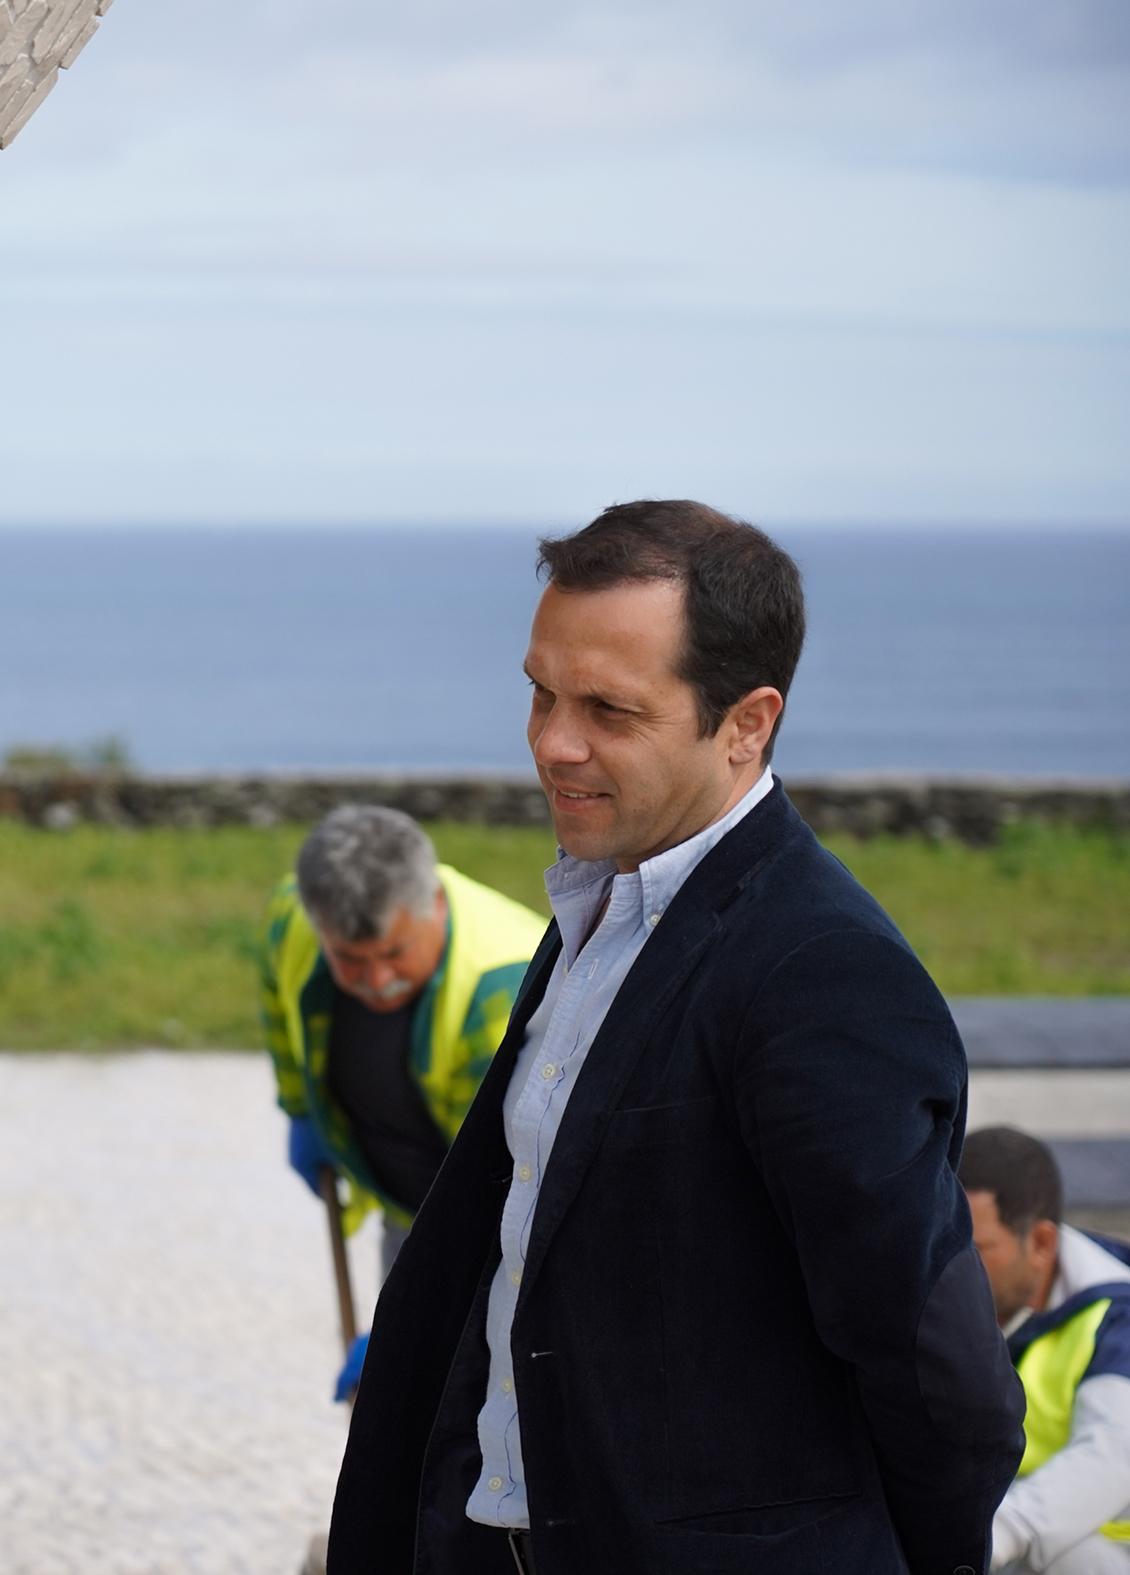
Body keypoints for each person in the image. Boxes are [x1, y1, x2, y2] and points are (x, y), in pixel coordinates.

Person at [328, 500, 1024, 1573]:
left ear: (745, 724)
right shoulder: (600, 909)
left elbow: (942, 1382)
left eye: (608, 709)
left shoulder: (824, 978)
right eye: (540, 692)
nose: (553, 743)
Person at [258, 804, 543, 1397]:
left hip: (499, 1247)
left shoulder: (506, 992)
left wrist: (407, 1329)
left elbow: (505, 1198)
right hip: (408, 1206)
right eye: (351, 962)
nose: (376, 980)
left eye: (394, 953)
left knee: (468, 1413)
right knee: (405, 1428)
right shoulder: (295, 919)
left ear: (434, 903)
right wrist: (301, 1111)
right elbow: (279, 1003)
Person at [962, 1126, 1130, 1574]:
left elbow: (1111, 1458)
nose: (955, 1266)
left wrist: (987, 1541)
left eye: (976, 1249)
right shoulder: (972, 1299)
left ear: (1040, 1243)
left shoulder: (1119, 1321)